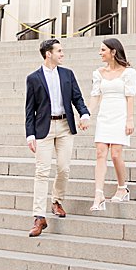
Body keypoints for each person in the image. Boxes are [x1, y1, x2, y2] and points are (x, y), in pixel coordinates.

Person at [24, 38, 90, 237]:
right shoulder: (33, 78)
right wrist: (30, 134)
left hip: (64, 126)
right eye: (59, 51)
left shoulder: (67, 74)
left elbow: (77, 98)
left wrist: (84, 114)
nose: (62, 54)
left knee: (63, 168)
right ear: (48, 54)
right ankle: (38, 217)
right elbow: (30, 109)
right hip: (43, 127)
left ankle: (56, 200)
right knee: (41, 172)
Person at [90, 37, 136, 210]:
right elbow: (95, 96)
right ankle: (99, 194)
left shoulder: (128, 73)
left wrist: (130, 119)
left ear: (113, 52)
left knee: (116, 154)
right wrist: (86, 115)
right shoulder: (98, 73)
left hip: (120, 114)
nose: (100, 53)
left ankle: (122, 188)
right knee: (100, 152)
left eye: (103, 50)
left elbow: (130, 97)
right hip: (105, 115)